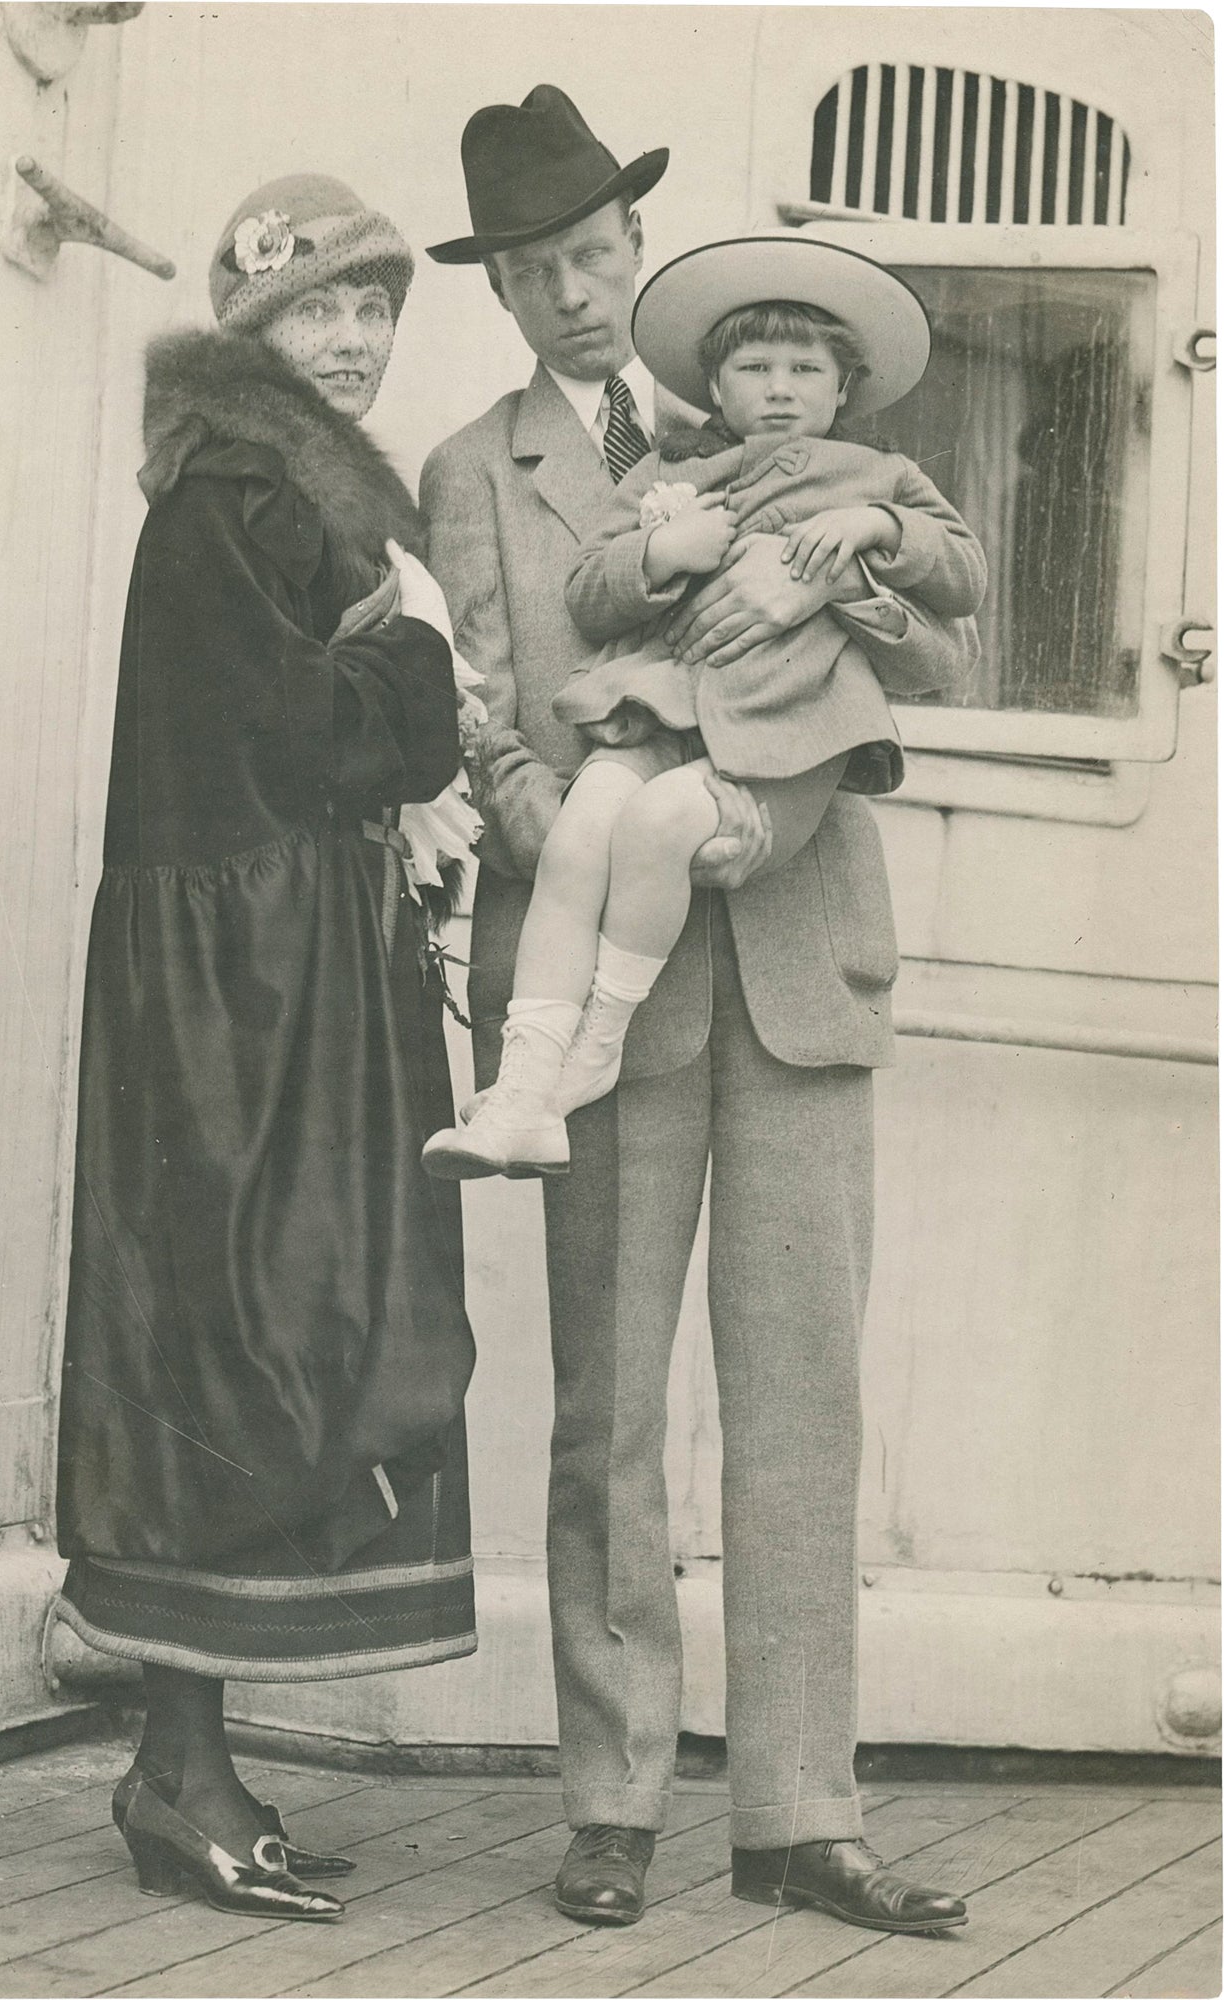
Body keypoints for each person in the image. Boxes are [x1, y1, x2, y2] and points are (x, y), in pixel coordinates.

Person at [422, 85, 974, 1934]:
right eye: (531, 272)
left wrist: (852, 599)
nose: (572, 294)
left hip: (803, 965)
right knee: (605, 1414)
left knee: (799, 1400)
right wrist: (587, 826)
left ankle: (801, 1811)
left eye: (593, 256)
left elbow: (921, 647)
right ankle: (611, 1800)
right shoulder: (472, 468)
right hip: (609, 993)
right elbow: (483, 716)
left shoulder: (770, 425)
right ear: (495, 294)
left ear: (635, 258)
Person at [53, 174, 479, 1924]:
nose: (358, 336)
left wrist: (398, 684)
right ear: (254, 335)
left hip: (285, 959)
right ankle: (178, 1769)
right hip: (233, 987)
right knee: (227, 1343)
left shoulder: (286, 497)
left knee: (279, 1336)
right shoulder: (236, 493)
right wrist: (418, 682)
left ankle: (189, 1763)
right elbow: (317, 729)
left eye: (377, 307)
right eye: (320, 311)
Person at [424, 238, 985, 1176]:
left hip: (791, 762)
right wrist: (662, 551)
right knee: (594, 824)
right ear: (715, 388)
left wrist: (859, 552)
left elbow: (957, 596)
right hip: (662, 723)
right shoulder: (670, 470)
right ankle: (530, 1086)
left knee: (791, 1298)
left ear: (844, 387)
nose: (779, 389)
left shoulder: (877, 477)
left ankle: (593, 1042)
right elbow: (571, 603)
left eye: (805, 370)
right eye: (754, 369)